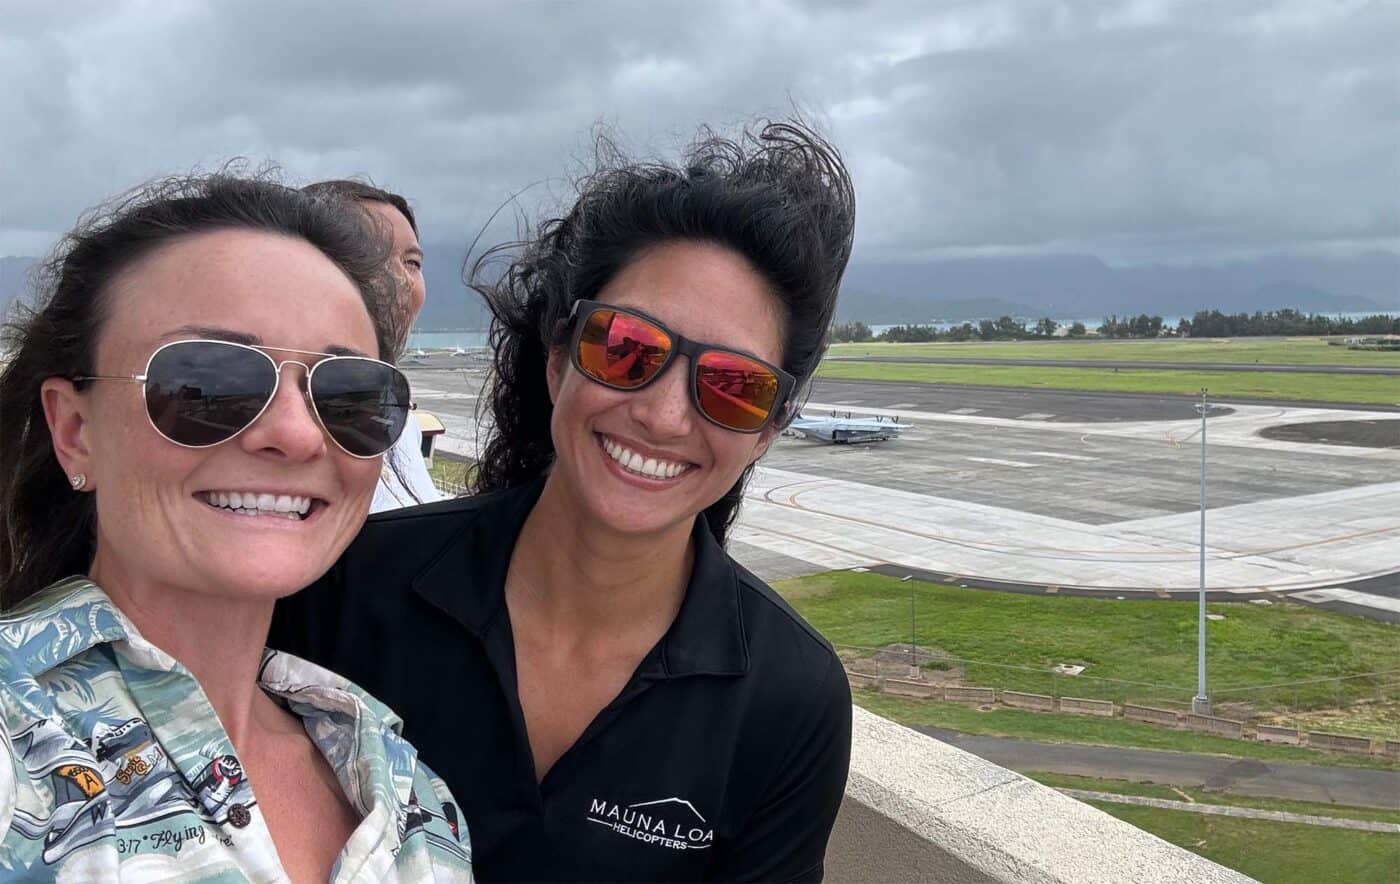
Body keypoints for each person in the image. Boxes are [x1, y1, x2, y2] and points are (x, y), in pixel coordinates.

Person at [273, 119, 856, 882]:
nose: (664, 414)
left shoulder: (788, 697)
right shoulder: (352, 587)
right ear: (557, 361)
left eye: (733, 386)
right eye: (626, 349)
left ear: (767, 432)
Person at [0, 173, 473, 881]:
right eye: (210, 385)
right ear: (75, 432)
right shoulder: (18, 737)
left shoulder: (407, 783)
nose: (295, 434)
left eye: (348, 395)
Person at [301, 179, 442, 512]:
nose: (400, 279)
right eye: (369, 253)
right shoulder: (288, 419)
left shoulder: (395, 415)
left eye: (412, 262)